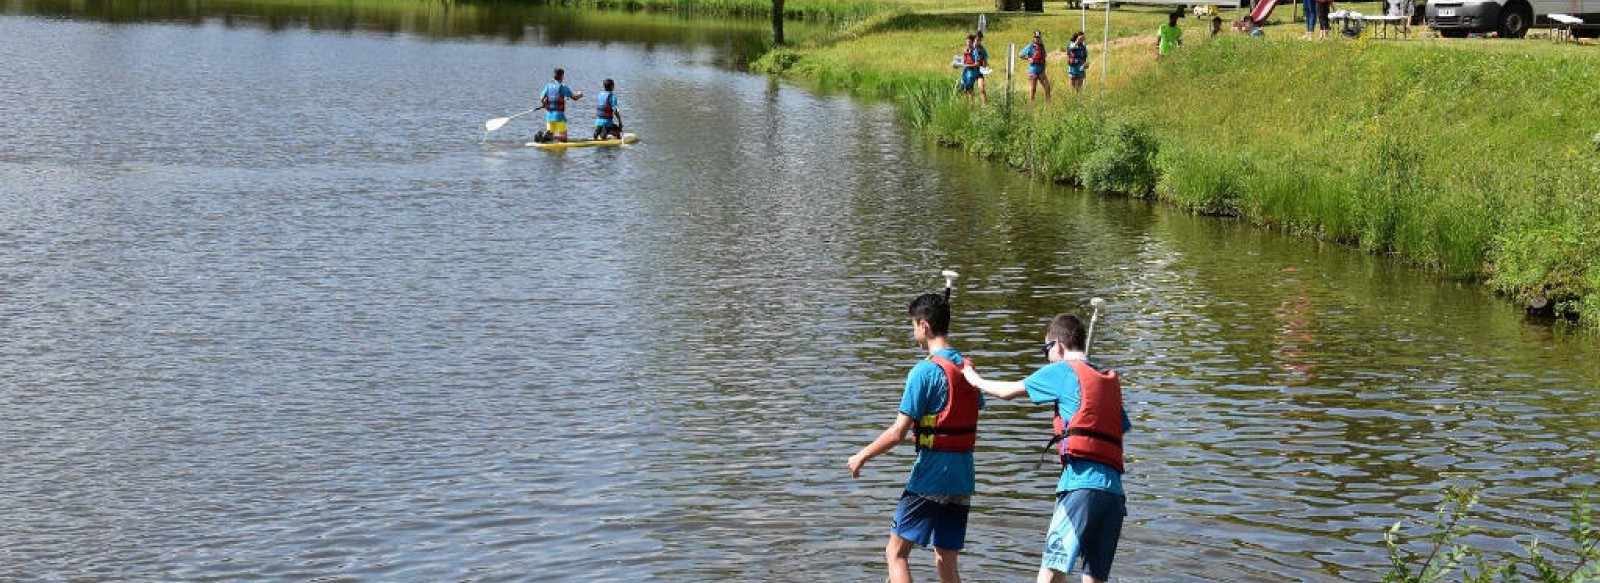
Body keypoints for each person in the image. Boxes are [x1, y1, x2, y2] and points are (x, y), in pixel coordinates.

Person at [961, 314, 1131, 583]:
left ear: (1059, 346)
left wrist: (974, 379)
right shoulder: (1105, 379)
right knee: (1093, 578)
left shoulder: (1062, 370)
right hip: (1112, 492)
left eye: (1046, 350)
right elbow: (1118, 426)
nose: (1046, 357)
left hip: (1080, 485)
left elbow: (1008, 391)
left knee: (1050, 573)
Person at [848, 293, 984, 583]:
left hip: (931, 475)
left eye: (913, 324)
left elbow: (898, 432)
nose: (913, 331)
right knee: (945, 557)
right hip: (962, 476)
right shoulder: (968, 368)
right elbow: (965, 412)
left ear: (924, 326)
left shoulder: (923, 371)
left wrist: (862, 456)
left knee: (895, 553)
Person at [536, 68, 583, 143]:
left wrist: (544, 104)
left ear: (553, 76)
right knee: (564, 138)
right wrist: (580, 94)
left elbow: (541, 98)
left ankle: (546, 136)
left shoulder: (548, 86)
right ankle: (549, 136)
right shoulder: (563, 87)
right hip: (559, 116)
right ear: (562, 76)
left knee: (551, 136)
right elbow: (574, 98)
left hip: (549, 115)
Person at [1018, 30, 1052, 103]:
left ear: (1040, 37)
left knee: (1048, 88)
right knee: (1033, 89)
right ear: (1033, 38)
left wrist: (1044, 67)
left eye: (1038, 37)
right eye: (1036, 37)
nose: (1037, 39)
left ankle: (1048, 105)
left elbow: (1044, 57)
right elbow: (1020, 54)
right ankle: (1031, 107)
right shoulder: (1030, 46)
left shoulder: (1042, 46)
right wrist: (1028, 58)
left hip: (1041, 71)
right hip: (1033, 70)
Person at [957, 33, 989, 105]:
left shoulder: (981, 50)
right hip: (969, 72)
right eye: (977, 40)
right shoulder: (967, 50)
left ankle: (985, 106)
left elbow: (984, 62)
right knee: (969, 91)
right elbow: (964, 61)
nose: (977, 41)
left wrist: (985, 67)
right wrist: (959, 65)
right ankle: (971, 107)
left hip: (978, 72)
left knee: (982, 89)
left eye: (979, 40)